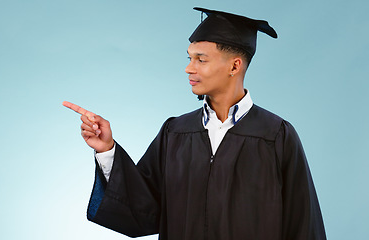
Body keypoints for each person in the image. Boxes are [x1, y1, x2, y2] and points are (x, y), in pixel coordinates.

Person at [64, 7, 326, 240]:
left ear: (234, 66)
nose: (189, 68)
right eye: (189, 58)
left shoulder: (275, 135)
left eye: (201, 59)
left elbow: (303, 224)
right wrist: (107, 150)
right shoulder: (175, 133)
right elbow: (142, 210)